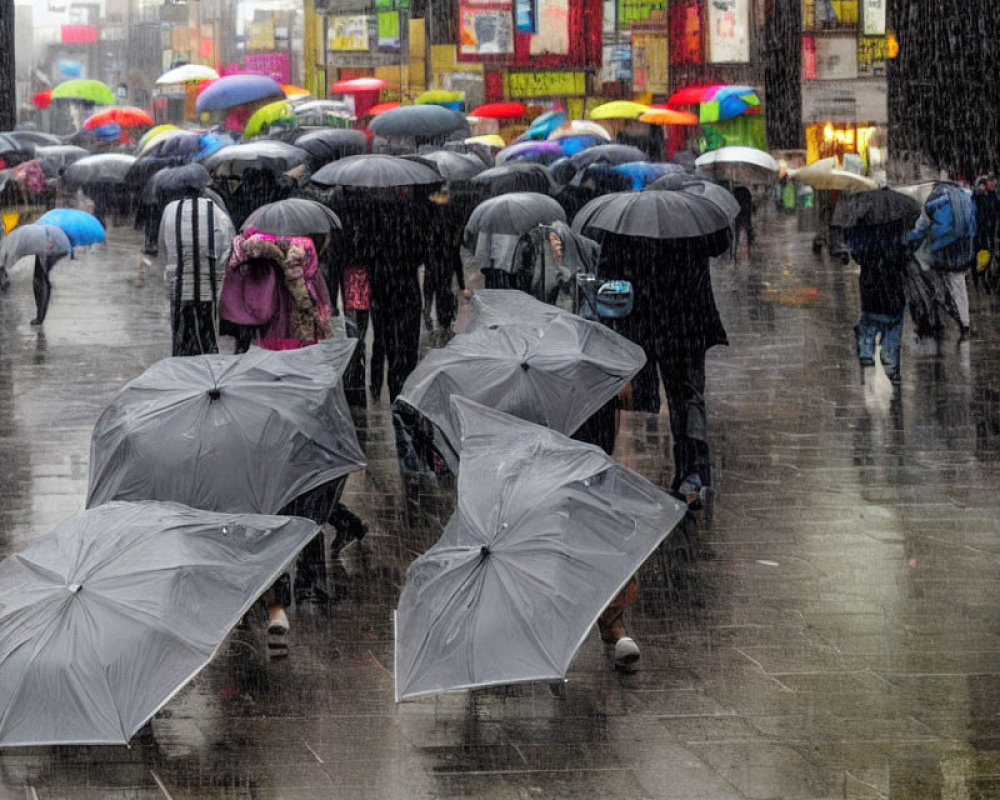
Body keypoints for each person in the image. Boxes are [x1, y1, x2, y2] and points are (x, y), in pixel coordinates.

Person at [158, 194, 235, 356]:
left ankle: (182, 364)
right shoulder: (216, 211)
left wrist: (168, 277)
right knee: (207, 334)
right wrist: (218, 275)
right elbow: (227, 247)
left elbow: (162, 248)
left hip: (179, 287)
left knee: (182, 336)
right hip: (207, 287)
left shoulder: (171, 210)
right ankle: (207, 366)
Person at [907, 181, 976, 339]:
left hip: (944, 250)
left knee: (935, 276)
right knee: (958, 283)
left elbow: (922, 226)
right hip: (964, 248)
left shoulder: (935, 199)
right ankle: (964, 319)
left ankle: (946, 310)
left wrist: (909, 238)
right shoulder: (966, 196)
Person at [845, 220, 909, 385]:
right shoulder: (899, 231)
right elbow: (907, 255)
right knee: (894, 321)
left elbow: (857, 254)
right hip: (893, 285)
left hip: (871, 284)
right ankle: (890, 361)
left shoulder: (865, 232)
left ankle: (867, 352)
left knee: (870, 318)